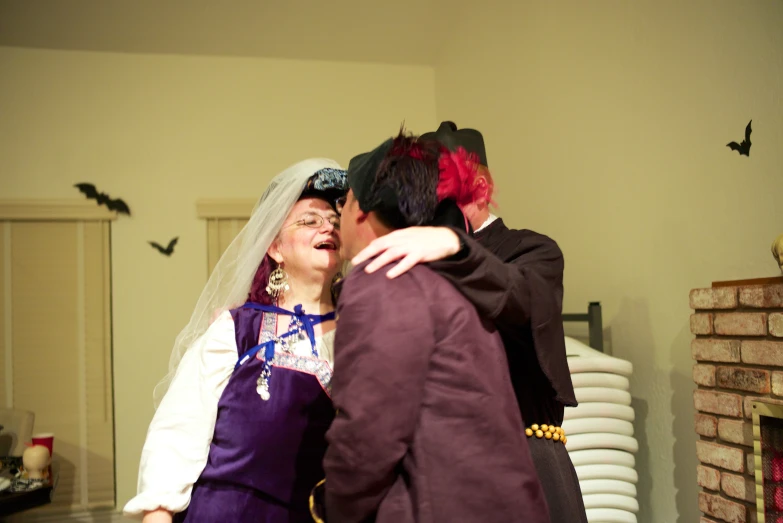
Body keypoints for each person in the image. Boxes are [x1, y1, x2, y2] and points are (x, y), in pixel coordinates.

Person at [352, 121, 588, 522]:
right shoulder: (407, 258)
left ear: (478, 188)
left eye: (440, 188)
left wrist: (455, 248)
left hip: (528, 464)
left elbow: (521, 296)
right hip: (432, 476)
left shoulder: (533, 251)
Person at [123, 159, 349, 522]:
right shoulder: (237, 330)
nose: (328, 227)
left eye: (336, 221)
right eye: (310, 220)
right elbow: (178, 434)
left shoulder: (363, 331)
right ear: (275, 247)